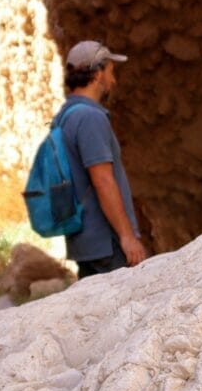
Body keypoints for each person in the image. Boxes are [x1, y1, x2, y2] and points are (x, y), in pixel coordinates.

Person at [55, 40, 147, 279]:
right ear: (97, 74)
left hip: (84, 244)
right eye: (110, 73)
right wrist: (127, 237)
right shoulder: (89, 118)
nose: (113, 81)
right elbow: (102, 180)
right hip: (107, 245)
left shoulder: (65, 117)